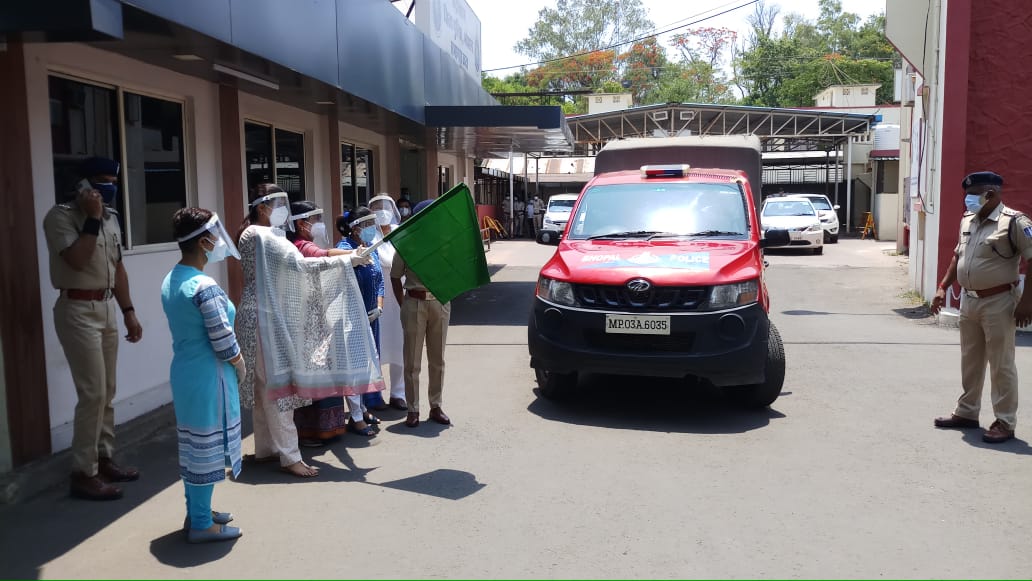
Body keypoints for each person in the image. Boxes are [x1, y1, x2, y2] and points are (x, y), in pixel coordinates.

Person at [42, 156, 142, 501]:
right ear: (83, 185)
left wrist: (128, 311)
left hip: (105, 307)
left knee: (108, 390)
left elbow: (119, 268)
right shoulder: (60, 217)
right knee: (93, 393)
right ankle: (83, 473)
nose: (108, 186)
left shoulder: (112, 219)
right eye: (99, 180)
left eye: (111, 179)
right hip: (77, 309)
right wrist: (92, 220)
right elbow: (77, 260)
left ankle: (103, 458)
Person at [161, 208, 244, 543]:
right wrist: (240, 364)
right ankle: (201, 525)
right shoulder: (203, 285)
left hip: (186, 372)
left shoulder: (173, 278)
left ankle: (197, 512)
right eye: (214, 235)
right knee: (207, 448)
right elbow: (222, 339)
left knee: (194, 447)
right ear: (204, 241)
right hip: (210, 375)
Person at [931, 171, 1032, 443]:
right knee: (971, 360)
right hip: (970, 300)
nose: (969, 199)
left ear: (992, 194)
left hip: (999, 301)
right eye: (968, 193)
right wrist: (942, 287)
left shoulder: (1014, 222)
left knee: (1002, 364)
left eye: (974, 194)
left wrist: (1027, 301)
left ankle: (1005, 421)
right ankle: (967, 411)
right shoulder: (968, 220)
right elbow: (957, 255)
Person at [286, 200, 375, 444]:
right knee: (315, 376)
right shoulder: (300, 246)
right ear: (302, 224)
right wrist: (351, 255)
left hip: (318, 319)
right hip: (307, 323)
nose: (319, 225)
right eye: (315, 221)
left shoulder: (304, 243)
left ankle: (329, 427)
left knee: (325, 373)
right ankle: (312, 432)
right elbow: (324, 256)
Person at [391, 199, 452, 428]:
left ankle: (435, 406)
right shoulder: (407, 243)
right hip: (414, 303)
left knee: (438, 359)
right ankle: (413, 408)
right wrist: (402, 304)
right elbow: (395, 276)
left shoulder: (446, 241)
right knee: (412, 361)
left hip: (439, 302)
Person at [337, 207, 390, 434]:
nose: (372, 229)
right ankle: (356, 417)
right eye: (368, 224)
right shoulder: (344, 251)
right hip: (352, 320)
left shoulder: (372, 249)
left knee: (369, 367)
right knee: (354, 368)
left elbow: (379, 281)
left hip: (372, 316)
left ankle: (364, 409)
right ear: (355, 227)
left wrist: (379, 306)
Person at [367, 194, 408, 410]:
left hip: (400, 293)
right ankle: (375, 394)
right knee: (377, 345)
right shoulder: (368, 235)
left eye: (385, 206)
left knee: (399, 344)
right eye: (376, 207)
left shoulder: (401, 233)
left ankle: (398, 393)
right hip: (378, 296)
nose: (381, 211)